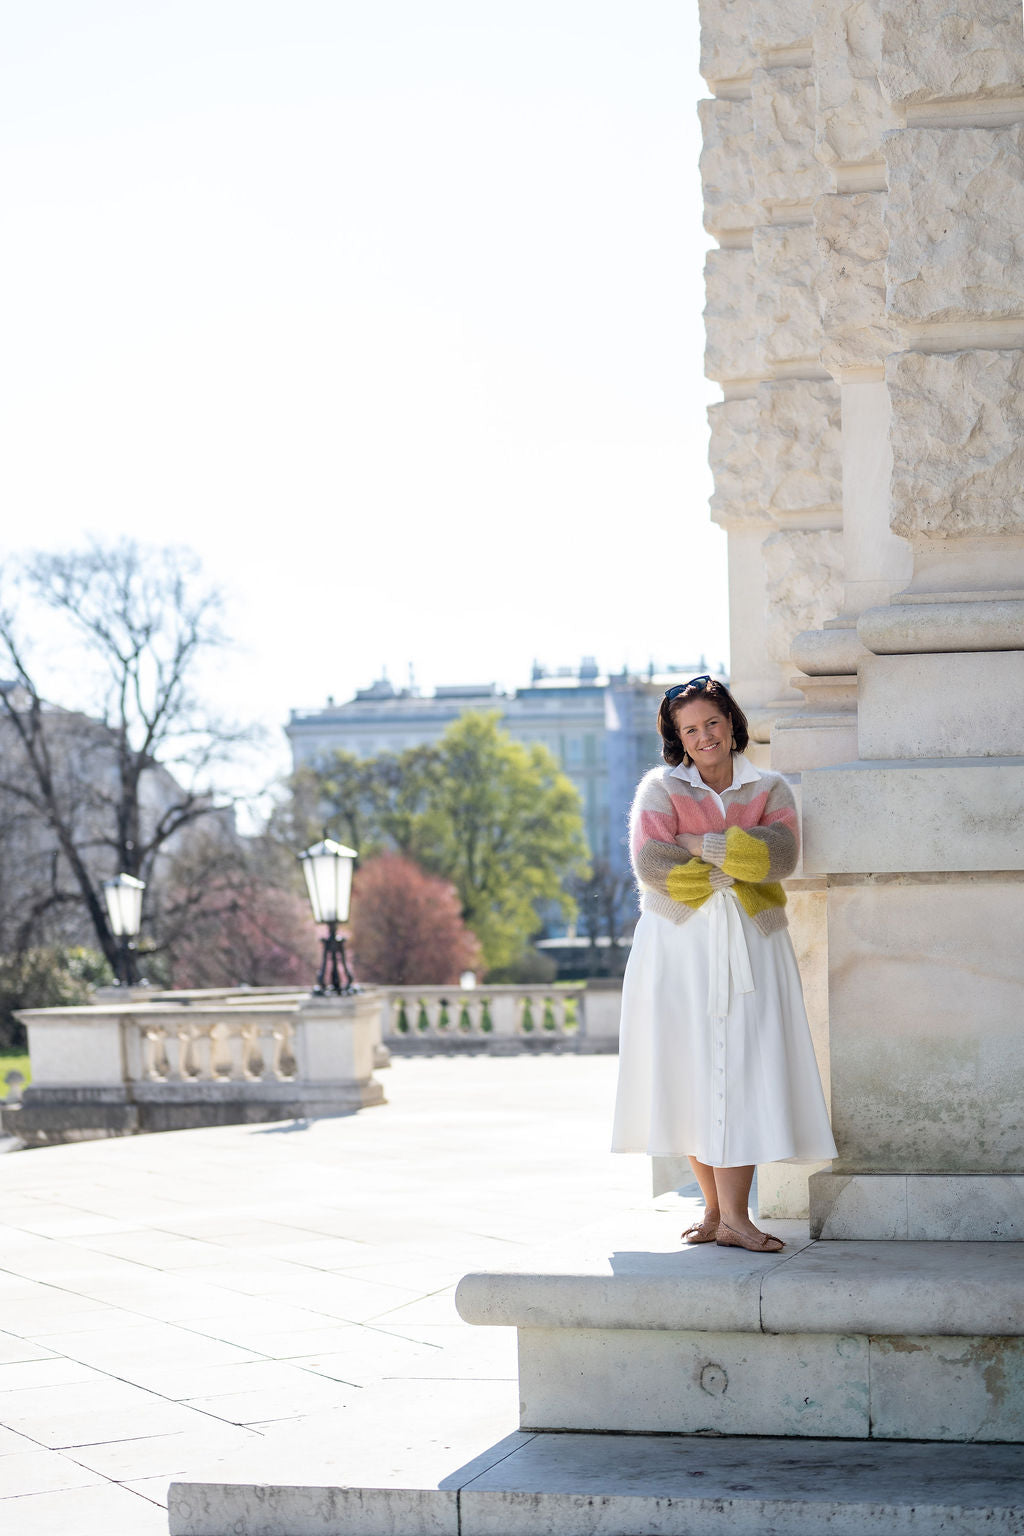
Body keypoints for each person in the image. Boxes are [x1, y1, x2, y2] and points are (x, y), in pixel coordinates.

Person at [611, 675, 837, 1253]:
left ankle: (736, 1215)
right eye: (691, 729)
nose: (704, 736)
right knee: (689, 1064)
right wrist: (736, 855)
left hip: (753, 942)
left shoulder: (772, 785)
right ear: (677, 738)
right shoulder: (659, 788)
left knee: (743, 1065)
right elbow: (652, 864)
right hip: (677, 945)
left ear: (732, 722)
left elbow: (780, 857)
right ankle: (716, 1214)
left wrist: (701, 844)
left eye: (712, 723)